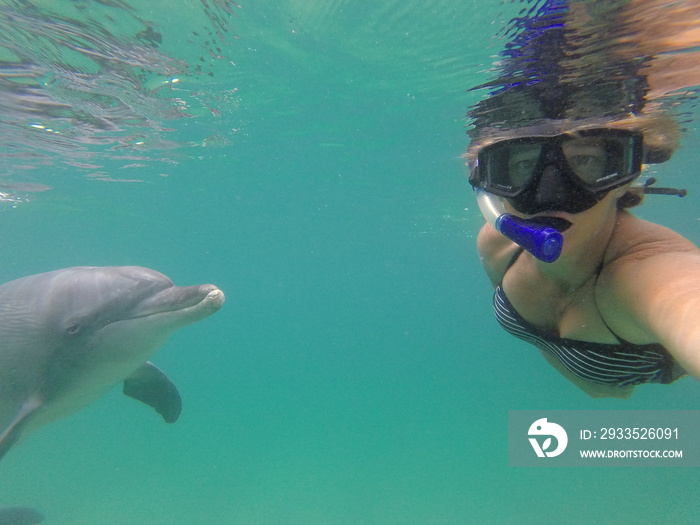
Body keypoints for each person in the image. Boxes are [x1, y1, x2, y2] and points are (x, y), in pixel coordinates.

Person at [465, 0, 700, 399]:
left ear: (625, 176)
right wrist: (592, 383)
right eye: (522, 165)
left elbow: (684, 303)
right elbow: (544, 342)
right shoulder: (498, 244)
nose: (551, 195)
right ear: (489, 181)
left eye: (588, 161)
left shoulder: (646, 273)